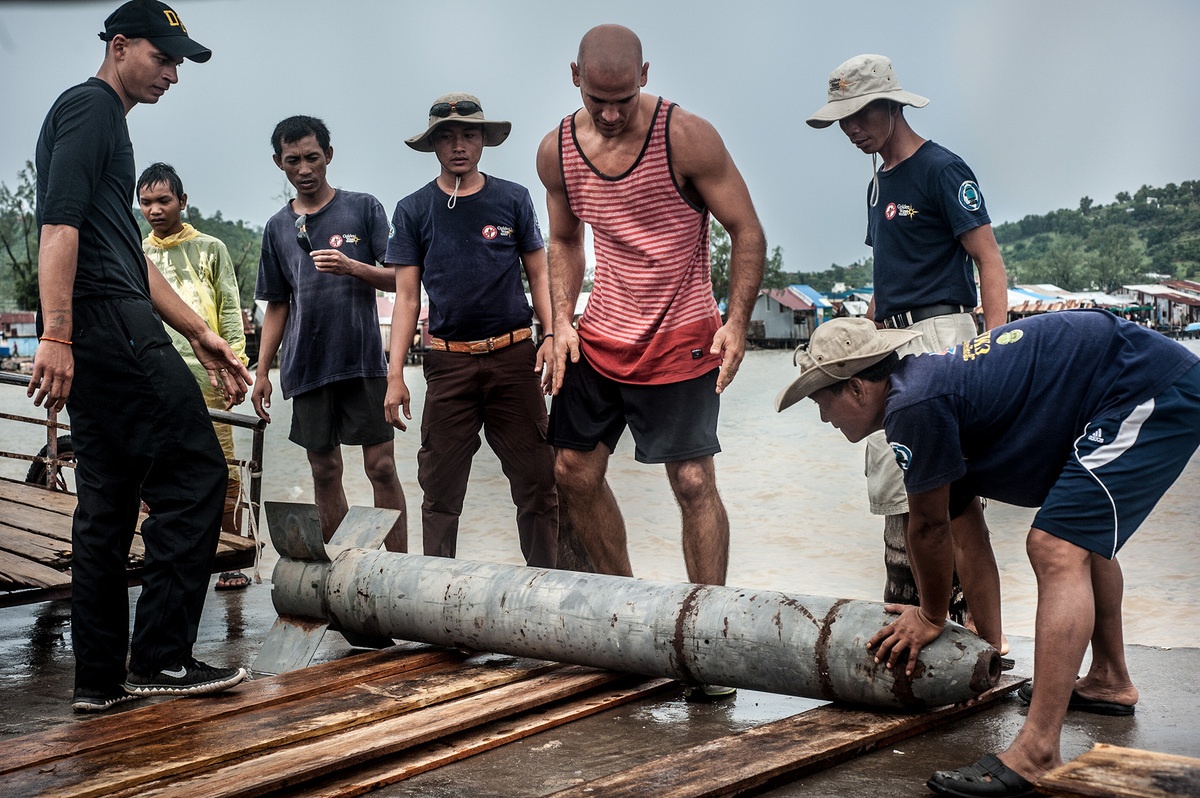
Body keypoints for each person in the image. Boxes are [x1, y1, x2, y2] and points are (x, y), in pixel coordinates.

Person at [775, 311, 1200, 797]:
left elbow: (928, 529)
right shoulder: (926, 394)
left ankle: (1038, 751)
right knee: (1081, 537)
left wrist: (931, 615)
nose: (822, 416)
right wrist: (988, 650)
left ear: (856, 389)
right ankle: (1108, 679)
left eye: (820, 400)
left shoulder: (914, 406)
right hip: (1120, 383)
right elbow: (963, 529)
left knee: (1055, 547)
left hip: (1144, 384)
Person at [28, 0, 251, 713]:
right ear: (120, 47)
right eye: (163, 58)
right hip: (104, 323)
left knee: (108, 499)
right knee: (196, 472)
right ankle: (161, 657)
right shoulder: (92, 108)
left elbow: (125, 253)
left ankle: (98, 682)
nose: (173, 75)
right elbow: (57, 226)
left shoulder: (101, 123)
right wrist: (56, 336)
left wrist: (197, 330)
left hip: (106, 316)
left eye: (179, 62)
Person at [536, 25, 765, 696]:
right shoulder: (557, 150)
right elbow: (563, 239)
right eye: (599, 97)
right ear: (574, 74)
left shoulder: (684, 135)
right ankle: (630, 613)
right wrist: (560, 323)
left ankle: (708, 640)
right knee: (573, 470)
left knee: (693, 482)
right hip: (602, 329)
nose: (611, 112)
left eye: (624, 96)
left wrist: (739, 321)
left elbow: (745, 229)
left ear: (645, 75)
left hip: (683, 329)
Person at [808, 54, 1010, 651]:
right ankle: (915, 621)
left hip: (943, 335)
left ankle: (981, 643)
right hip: (888, 341)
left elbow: (989, 261)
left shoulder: (942, 170)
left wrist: (991, 348)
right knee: (900, 492)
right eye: (840, 120)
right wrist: (866, 337)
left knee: (953, 502)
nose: (849, 129)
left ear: (891, 106)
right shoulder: (878, 181)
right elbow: (887, 275)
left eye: (857, 115)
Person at [383, 93, 558, 567]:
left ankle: (545, 592)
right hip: (448, 363)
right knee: (439, 491)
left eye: (469, 134)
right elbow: (406, 296)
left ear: (483, 140)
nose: (459, 144)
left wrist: (551, 336)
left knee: (539, 484)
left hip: (514, 358)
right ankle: (438, 598)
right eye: (447, 135)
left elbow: (539, 275)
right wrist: (395, 372)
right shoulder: (414, 208)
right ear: (434, 144)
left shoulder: (513, 198)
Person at [252, 116, 406, 551]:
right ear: (279, 163)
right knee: (324, 470)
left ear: (329, 156)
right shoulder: (277, 227)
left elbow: (400, 278)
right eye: (293, 160)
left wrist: (352, 266)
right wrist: (262, 372)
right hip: (307, 363)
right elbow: (278, 303)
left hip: (362, 360)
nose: (304, 168)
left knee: (381, 467)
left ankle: (398, 572)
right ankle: (339, 571)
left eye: (312, 157)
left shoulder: (364, 207)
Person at [138, 162, 252, 591]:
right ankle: (162, 555)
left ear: (182, 202)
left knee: (222, 464)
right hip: (154, 375)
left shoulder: (211, 248)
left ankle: (231, 556)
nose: (155, 210)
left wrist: (235, 365)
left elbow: (228, 309)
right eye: (146, 202)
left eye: (164, 200)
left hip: (208, 375)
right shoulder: (137, 253)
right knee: (156, 466)